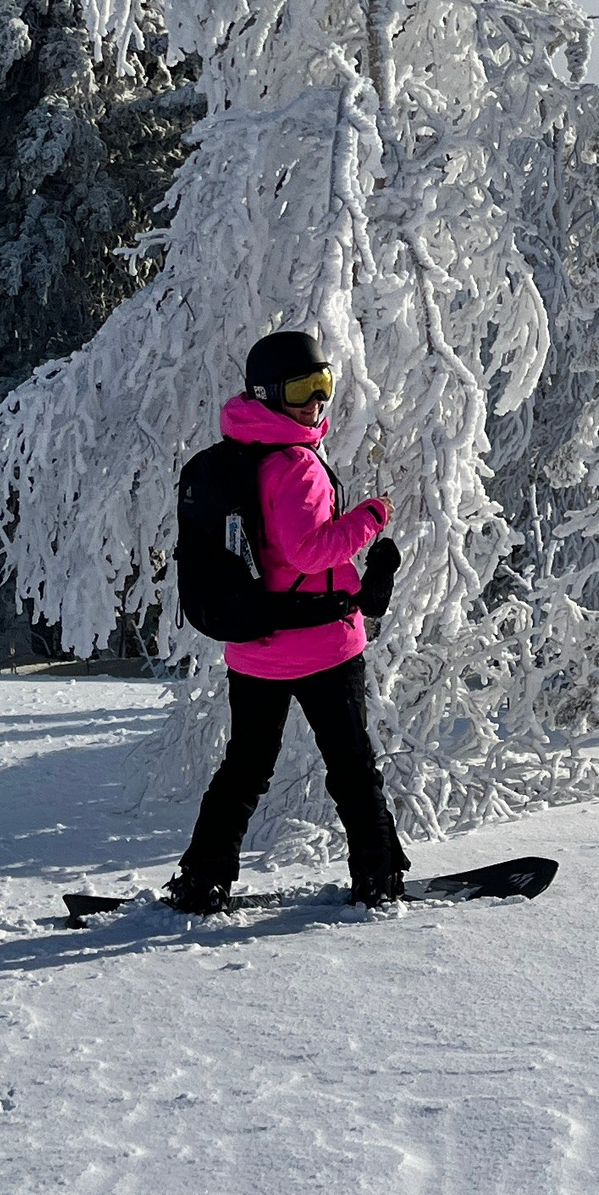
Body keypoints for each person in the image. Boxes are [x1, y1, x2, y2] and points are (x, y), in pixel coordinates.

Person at [165, 330, 411, 913]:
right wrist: (370, 518)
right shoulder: (294, 463)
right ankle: (378, 875)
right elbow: (308, 552)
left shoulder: (239, 456)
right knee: (351, 766)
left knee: (245, 768)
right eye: (302, 388)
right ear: (267, 392)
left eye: (324, 385)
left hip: (255, 646)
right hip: (322, 646)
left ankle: (204, 877)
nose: (315, 402)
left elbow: (274, 556)